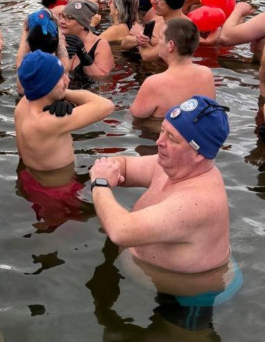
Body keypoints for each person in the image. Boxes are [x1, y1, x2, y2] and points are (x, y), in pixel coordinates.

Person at [91, 96, 230, 275]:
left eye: (172, 138)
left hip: (183, 298)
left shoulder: (197, 201)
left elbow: (120, 231)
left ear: (199, 154)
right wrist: (109, 169)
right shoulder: (175, 166)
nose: (159, 142)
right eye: (162, 130)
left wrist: (101, 183)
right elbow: (123, 165)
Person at [14, 51, 114, 173]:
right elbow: (106, 105)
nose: (67, 80)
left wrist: (55, 94)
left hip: (30, 178)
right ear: (46, 85)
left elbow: (21, 153)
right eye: (60, 77)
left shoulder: (22, 106)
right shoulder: (49, 122)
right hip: (58, 188)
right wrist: (66, 93)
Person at [129, 19, 216, 119]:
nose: (158, 42)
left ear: (170, 45)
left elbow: (135, 118)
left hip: (160, 133)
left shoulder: (154, 83)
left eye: (161, 38)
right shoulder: (206, 74)